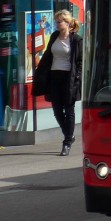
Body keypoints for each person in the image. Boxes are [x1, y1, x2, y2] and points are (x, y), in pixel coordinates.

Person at [33, 10, 83, 156]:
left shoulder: (76, 40)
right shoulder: (55, 36)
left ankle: (66, 142)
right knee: (56, 110)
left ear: (67, 23)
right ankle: (69, 135)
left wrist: (77, 77)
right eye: (56, 21)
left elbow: (80, 61)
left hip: (69, 77)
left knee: (69, 109)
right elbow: (48, 54)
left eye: (59, 21)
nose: (57, 24)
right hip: (54, 76)